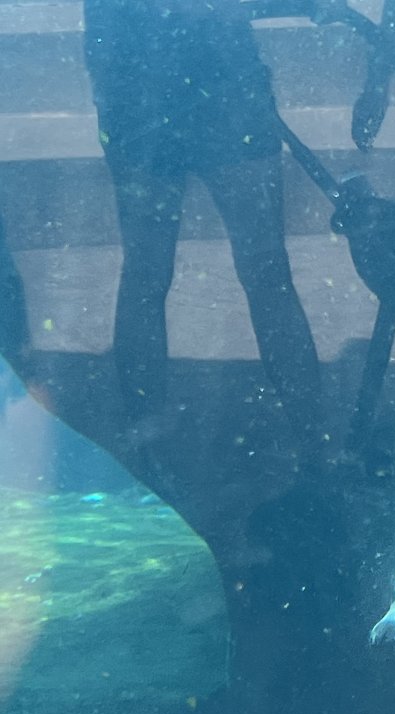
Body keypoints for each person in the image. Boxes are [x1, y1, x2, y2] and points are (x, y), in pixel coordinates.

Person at [83, 0, 325, 470]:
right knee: (262, 275)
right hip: (205, 97)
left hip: (151, 99)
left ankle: (147, 441)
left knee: (150, 276)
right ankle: (312, 438)